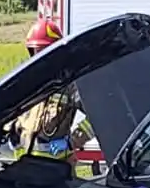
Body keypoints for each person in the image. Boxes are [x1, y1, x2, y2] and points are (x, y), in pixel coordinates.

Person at [10, 18, 92, 163]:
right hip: (25, 166)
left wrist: (71, 142)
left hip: (56, 169)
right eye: (35, 51)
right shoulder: (27, 83)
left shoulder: (70, 85)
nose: (38, 56)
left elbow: (95, 119)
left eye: (42, 51)